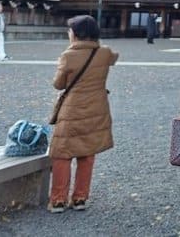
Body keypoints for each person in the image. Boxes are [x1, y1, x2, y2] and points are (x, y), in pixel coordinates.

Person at [49, 15, 118, 213]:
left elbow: (58, 84)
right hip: (97, 108)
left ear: (77, 34)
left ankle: (58, 200)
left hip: (73, 110)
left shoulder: (68, 56)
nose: (68, 33)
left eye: (70, 31)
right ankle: (80, 198)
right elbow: (114, 57)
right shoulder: (104, 53)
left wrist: (61, 64)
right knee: (87, 152)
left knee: (62, 154)